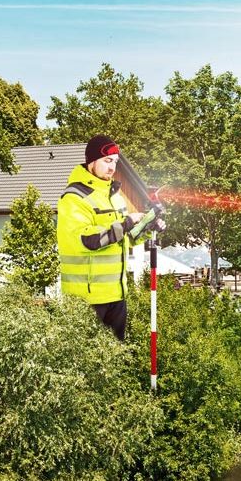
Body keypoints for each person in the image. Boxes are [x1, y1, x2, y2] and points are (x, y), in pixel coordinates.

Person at [56, 135, 162, 339]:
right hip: (86, 300)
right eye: (107, 161)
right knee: (87, 364)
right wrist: (126, 222)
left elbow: (125, 239)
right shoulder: (74, 198)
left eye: (114, 161)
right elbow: (89, 240)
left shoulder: (115, 197)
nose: (112, 167)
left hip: (117, 296)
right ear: (91, 161)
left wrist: (147, 227)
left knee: (115, 362)